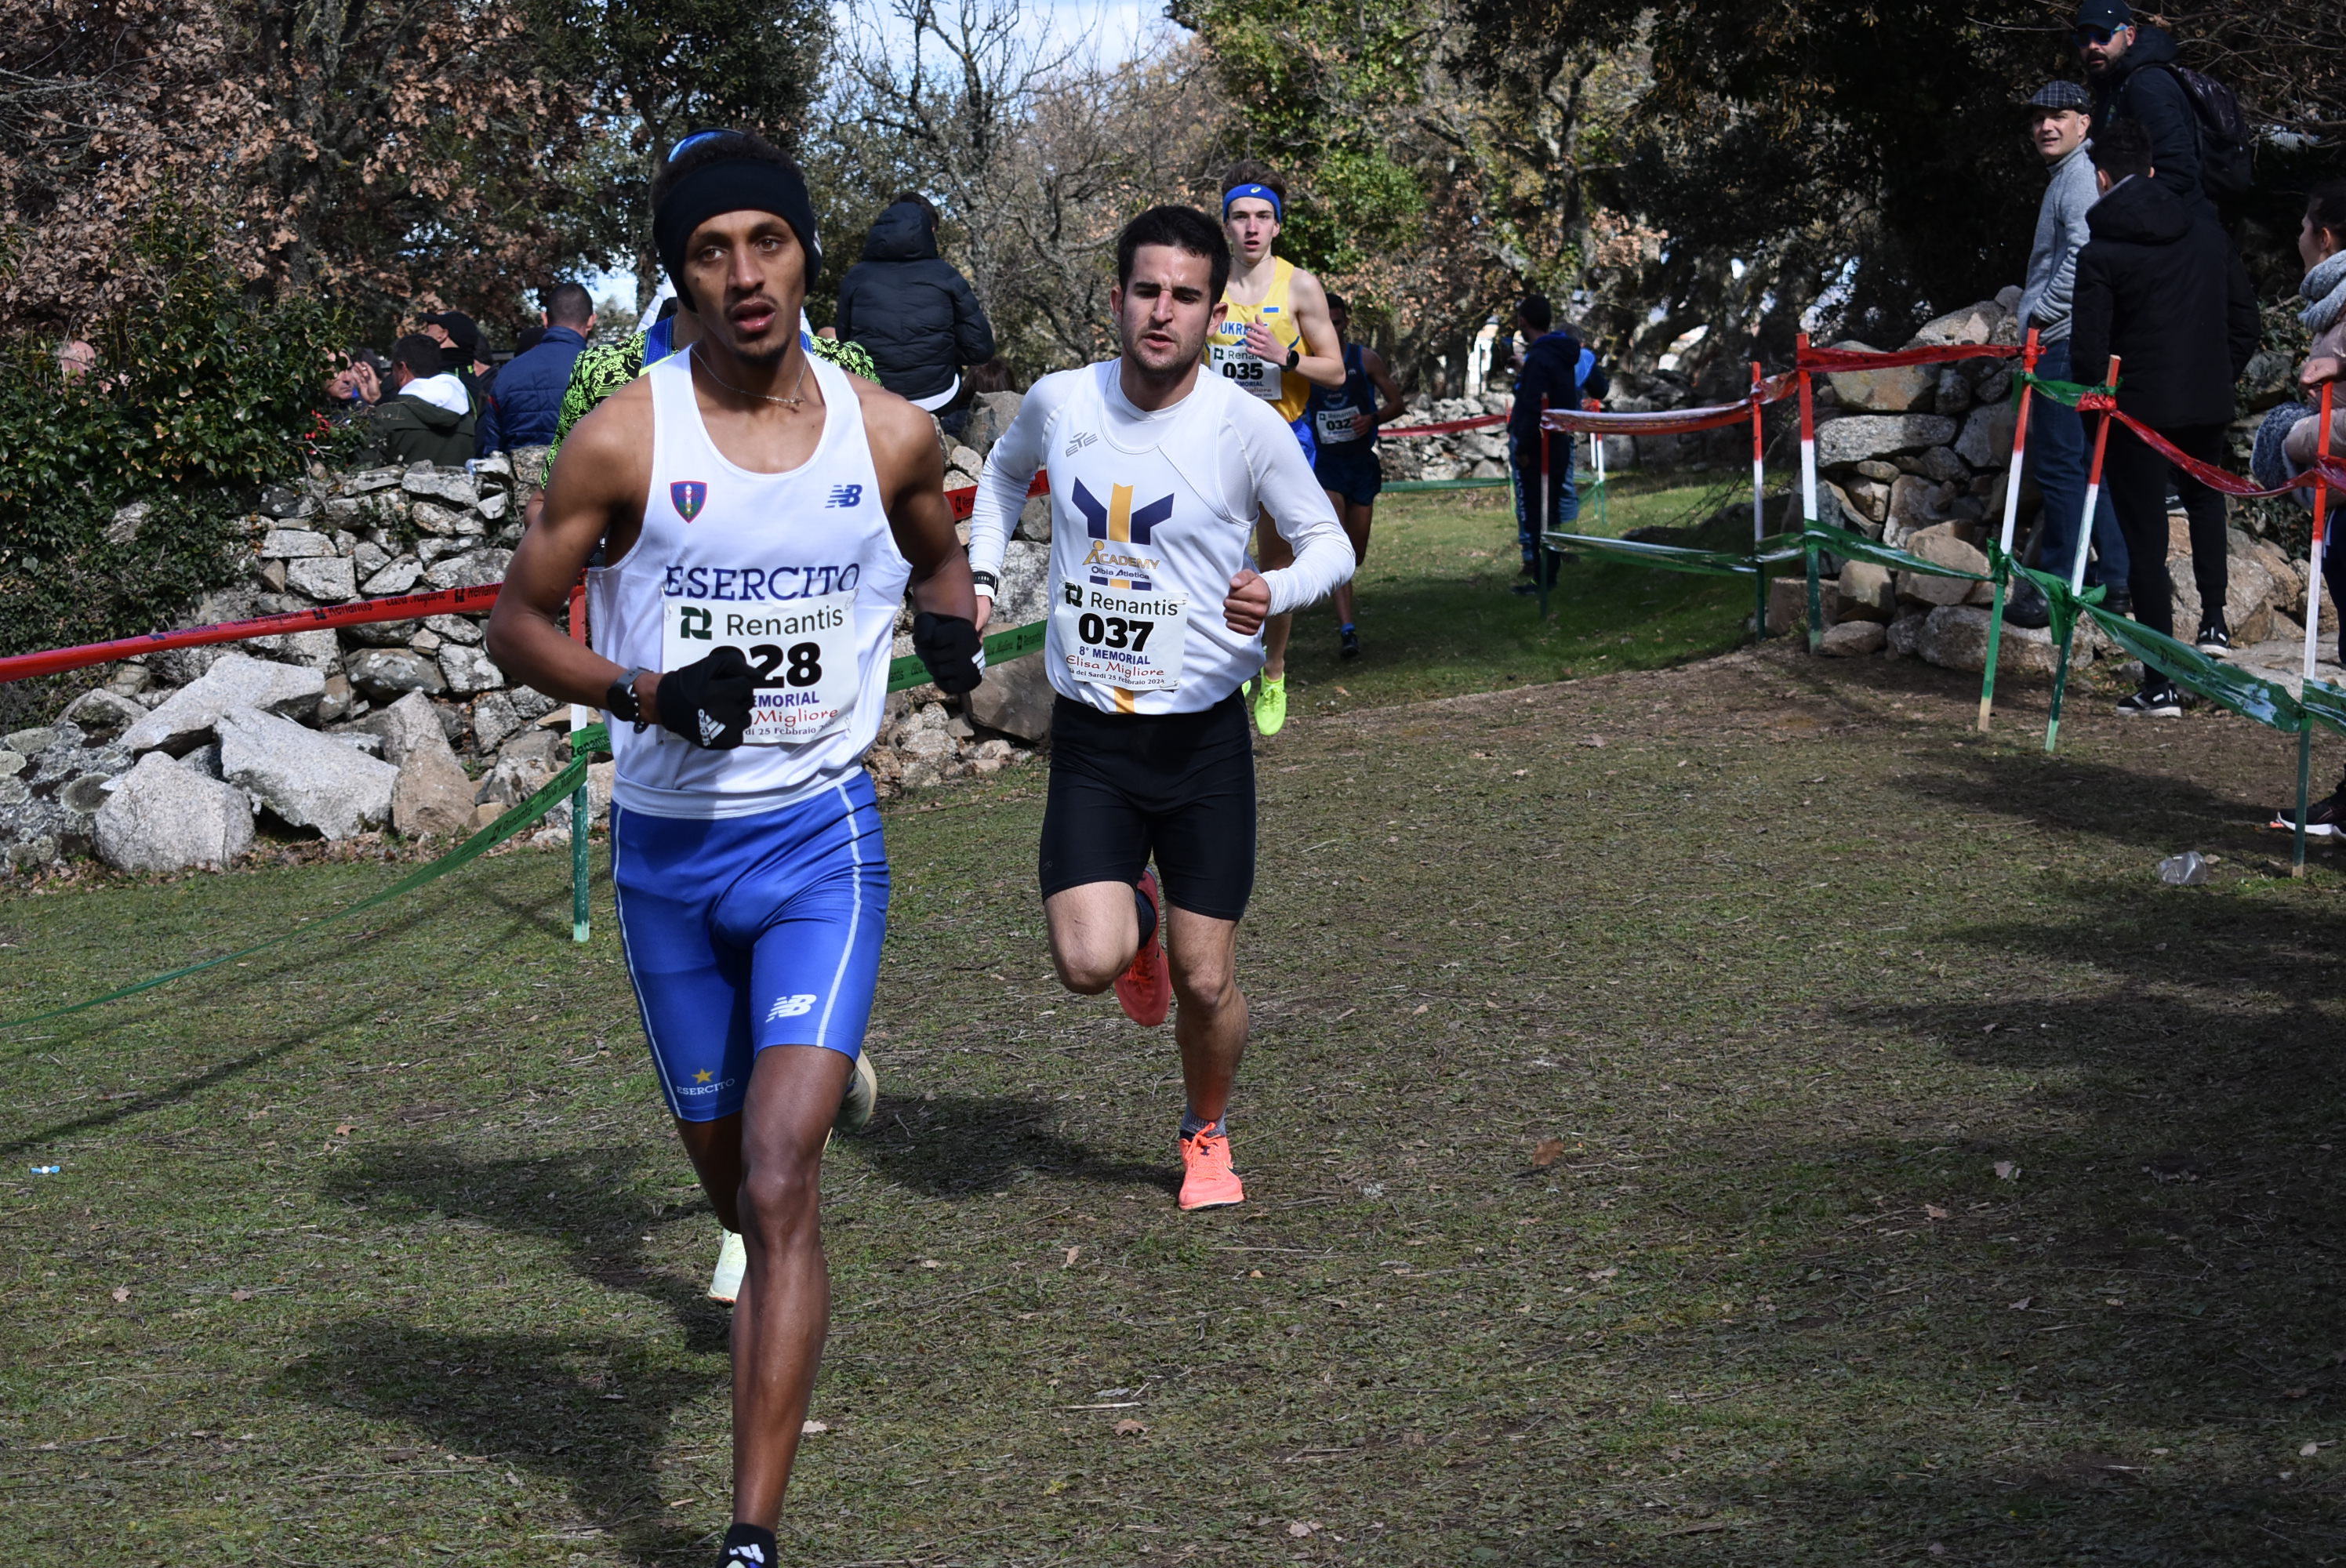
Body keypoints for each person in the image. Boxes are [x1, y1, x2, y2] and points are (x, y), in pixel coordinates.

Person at [483, 129, 982, 1568]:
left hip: (820, 838)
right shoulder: (624, 438)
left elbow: (936, 549)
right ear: (679, 277)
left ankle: (748, 1535)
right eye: (711, 251)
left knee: (777, 1183)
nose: (745, 273)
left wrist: (949, 624)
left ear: (806, 255)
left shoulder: (886, 432)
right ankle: (799, 1116)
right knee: (737, 1190)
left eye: (768, 241)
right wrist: (642, 693)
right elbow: (514, 627)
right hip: (667, 863)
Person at [964, 204, 1353, 1211]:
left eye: (1185, 296)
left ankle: (1205, 1132)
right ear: (1117, 299)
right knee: (1085, 962)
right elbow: (1000, 477)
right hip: (1094, 737)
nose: (1162, 312)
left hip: (1203, 745)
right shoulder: (1062, 401)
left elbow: (1330, 543)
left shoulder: (1246, 425)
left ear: (1213, 313)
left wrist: (1276, 587)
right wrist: (979, 574)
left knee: (1207, 980)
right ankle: (1133, 922)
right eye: (1146, 291)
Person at [2068, 119, 2258, 713]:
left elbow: (2088, 355)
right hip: (2205, 398)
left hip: (2135, 411)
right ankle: (2214, 620)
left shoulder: (2101, 252)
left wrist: (2098, 417)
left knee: (2144, 538)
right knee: (2205, 500)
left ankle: (2160, 682)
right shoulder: (2207, 234)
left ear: (2102, 179)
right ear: (2151, 171)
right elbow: (2244, 321)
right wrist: (2217, 375)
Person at [1209, 160, 1345, 736]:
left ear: (1278, 225)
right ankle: (1231, 655)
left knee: (1277, 563)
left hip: (1284, 437)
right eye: (1240, 216)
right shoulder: (1207, 281)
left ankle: (1274, 668)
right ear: (1225, 224)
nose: (1252, 227)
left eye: (1263, 216)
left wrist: (1285, 358)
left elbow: (1335, 370)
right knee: (1213, 552)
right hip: (1216, 436)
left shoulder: (1301, 285)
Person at [2012, 79, 2131, 620]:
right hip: (2071, 339)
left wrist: (2041, 314)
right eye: (2039, 118)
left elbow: (2085, 251)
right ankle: (2118, 579)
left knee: (2060, 467)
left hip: (2060, 342)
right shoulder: (2070, 174)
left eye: (2058, 116)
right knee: (2085, 465)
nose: (2046, 126)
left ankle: (2057, 588)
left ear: (2084, 123)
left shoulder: (2079, 176)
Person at [2259, 183, 2346, 835]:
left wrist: (2296, 437)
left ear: (2325, 236)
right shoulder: (2331, 306)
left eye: (2302, 226)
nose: (2297, 239)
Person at [833, 192, 996, 429]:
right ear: (929, 230)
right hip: (937, 397)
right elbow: (981, 350)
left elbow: (845, 341)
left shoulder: (856, 277)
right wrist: (939, 350)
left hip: (873, 395)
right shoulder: (946, 275)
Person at [1305, 293, 1407, 658]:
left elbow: (1398, 403)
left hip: (1361, 466)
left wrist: (1372, 418)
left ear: (1346, 322)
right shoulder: (1304, 362)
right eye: (1325, 321)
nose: (1331, 328)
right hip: (1325, 466)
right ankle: (1348, 631)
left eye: (1337, 321)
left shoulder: (1365, 360)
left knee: (1355, 553)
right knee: (1339, 546)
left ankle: (1337, 590)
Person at [2075, 0, 2213, 225]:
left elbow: (2178, 169)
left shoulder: (2146, 85)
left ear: (2129, 36)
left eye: (2103, 36)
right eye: (2083, 39)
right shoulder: (2113, 86)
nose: (2092, 46)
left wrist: (2134, 224)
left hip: (2177, 229)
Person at [1505, 295, 1603, 596]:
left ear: (1523, 321)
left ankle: (1543, 578)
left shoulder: (1540, 358)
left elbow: (1533, 406)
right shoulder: (1564, 354)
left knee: (1538, 513)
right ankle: (1551, 571)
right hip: (1560, 440)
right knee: (1553, 510)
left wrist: (1523, 448)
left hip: (1539, 446)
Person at [478, 281, 596, 455]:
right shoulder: (605, 372)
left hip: (520, 470)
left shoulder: (507, 373)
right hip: (584, 469)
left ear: (545, 319)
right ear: (591, 321)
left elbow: (492, 449)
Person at [364, 335, 478, 466]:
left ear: (402, 368)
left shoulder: (384, 417)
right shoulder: (466, 418)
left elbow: (364, 471)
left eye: (392, 368)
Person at [420, 310, 493, 408]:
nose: (424, 335)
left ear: (442, 335)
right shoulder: (465, 376)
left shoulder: (447, 381)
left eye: (428, 331)